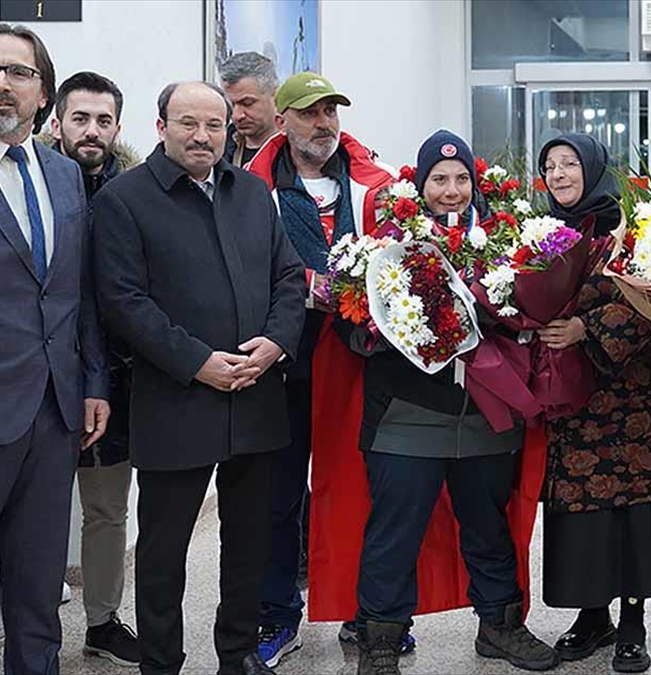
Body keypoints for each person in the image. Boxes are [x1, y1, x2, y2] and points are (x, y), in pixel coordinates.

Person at [91, 80, 307, 675]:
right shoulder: (125, 200)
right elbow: (124, 302)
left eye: (214, 125)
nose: (202, 136)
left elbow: (289, 279)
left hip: (255, 397)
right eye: (188, 123)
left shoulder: (253, 193)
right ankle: (161, 661)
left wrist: (275, 343)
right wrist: (199, 363)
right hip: (177, 401)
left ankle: (236, 653)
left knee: (248, 545)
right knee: (163, 552)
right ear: (161, 126)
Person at [351, 129, 558, 675]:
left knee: (489, 525)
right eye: (439, 179)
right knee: (395, 533)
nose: (451, 190)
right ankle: (380, 641)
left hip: (487, 415)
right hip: (405, 418)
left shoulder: (504, 241)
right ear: (419, 186)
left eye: (461, 178)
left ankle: (501, 626)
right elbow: (358, 328)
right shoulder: (388, 247)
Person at [244, 71, 411, 668]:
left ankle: (367, 611)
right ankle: (276, 615)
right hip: (283, 362)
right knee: (278, 497)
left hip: (360, 359)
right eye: (310, 114)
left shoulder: (376, 184)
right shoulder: (250, 187)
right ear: (282, 120)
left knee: (361, 490)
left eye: (331, 113)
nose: (324, 125)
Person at [0, 22, 109, 675]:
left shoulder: (63, 175)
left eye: (19, 72)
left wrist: (94, 382)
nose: (1, 83)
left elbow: (76, 290)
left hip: (54, 417)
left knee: (38, 593)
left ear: (42, 92)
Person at [535, 133, 651, 673]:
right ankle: (592, 615)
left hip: (630, 400)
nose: (559, 175)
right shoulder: (541, 235)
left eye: (569, 164)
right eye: (549, 166)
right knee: (581, 511)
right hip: (571, 402)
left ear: (593, 168)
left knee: (630, 512)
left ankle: (633, 622)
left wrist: (585, 328)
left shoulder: (633, 229)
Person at [42, 69, 142, 668]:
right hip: (40, 379)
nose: (91, 130)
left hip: (116, 385)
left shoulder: (129, 195)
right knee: (30, 507)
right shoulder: (25, 184)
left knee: (107, 510)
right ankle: (19, 611)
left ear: (117, 128)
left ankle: (101, 621)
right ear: (57, 122)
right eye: (80, 118)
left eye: (103, 120)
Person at [220, 52, 279, 167]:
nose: (236, 116)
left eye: (247, 103)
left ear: (275, 95)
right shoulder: (218, 150)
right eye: (231, 105)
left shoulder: (301, 149)